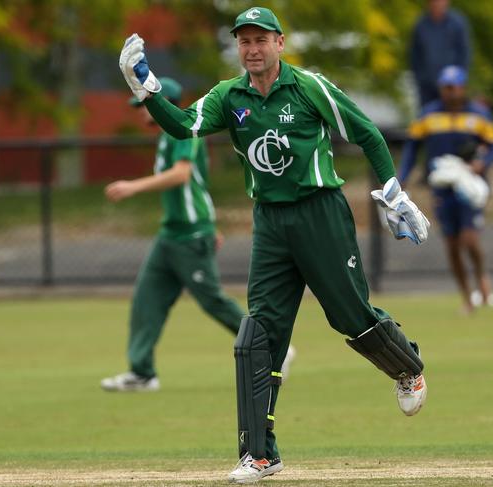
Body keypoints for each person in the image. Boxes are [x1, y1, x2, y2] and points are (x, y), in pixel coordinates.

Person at [118, 7, 430, 483]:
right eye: (244, 41)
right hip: (270, 223)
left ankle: (407, 367)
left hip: (320, 214)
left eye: (261, 39)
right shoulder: (230, 95)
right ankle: (260, 454)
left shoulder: (308, 86)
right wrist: (146, 86)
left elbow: (366, 132)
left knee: (348, 315)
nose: (253, 48)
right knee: (257, 336)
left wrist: (393, 192)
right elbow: (183, 126)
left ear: (280, 43)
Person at [101, 78, 295, 392]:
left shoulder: (182, 129)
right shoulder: (166, 135)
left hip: (191, 234)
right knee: (146, 300)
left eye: (145, 105)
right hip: (171, 233)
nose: (141, 112)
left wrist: (132, 186)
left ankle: (272, 348)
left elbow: (182, 175)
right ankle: (142, 373)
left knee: (212, 300)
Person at [399, 65, 493, 314]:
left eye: (454, 87)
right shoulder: (429, 115)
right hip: (442, 185)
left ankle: (482, 278)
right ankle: (467, 297)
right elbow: (412, 147)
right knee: (453, 244)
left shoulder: (478, 114)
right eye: (446, 87)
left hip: (468, 184)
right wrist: (401, 177)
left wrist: (482, 163)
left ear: (462, 87)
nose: (450, 92)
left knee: (470, 238)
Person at [410, 0, 471, 107]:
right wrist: (420, 77)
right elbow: (415, 55)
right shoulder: (420, 25)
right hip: (427, 85)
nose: (437, 3)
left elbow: (464, 52)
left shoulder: (457, 23)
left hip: (452, 85)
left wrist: (458, 79)